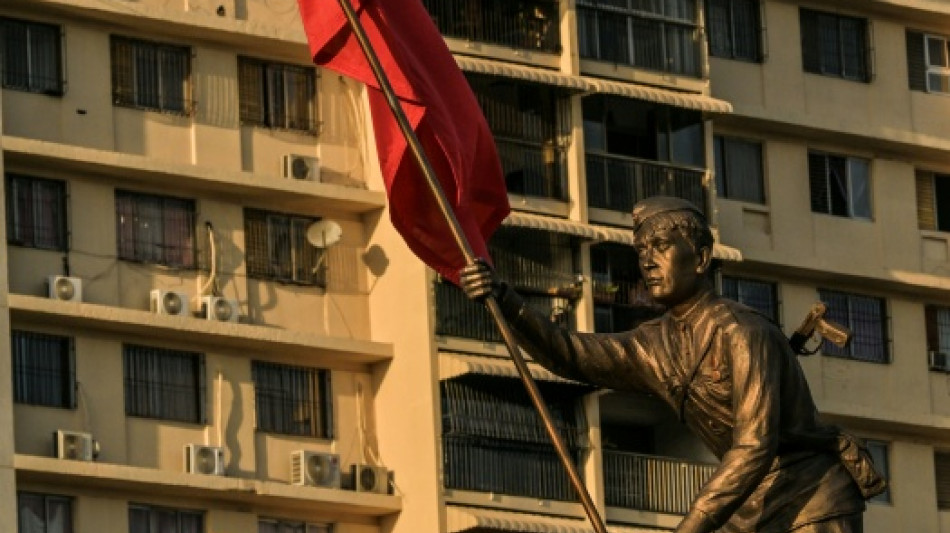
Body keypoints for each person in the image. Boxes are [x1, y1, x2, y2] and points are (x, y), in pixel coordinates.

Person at [460, 196, 883, 533]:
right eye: (642, 250)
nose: (646, 261)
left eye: (661, 247)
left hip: (809, 501)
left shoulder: (742, 332)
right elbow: (568, 353)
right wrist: (505, 300)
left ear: (700, 259)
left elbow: (755, 447)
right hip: (746, 507)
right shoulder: (655, 343)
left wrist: (691, 527)